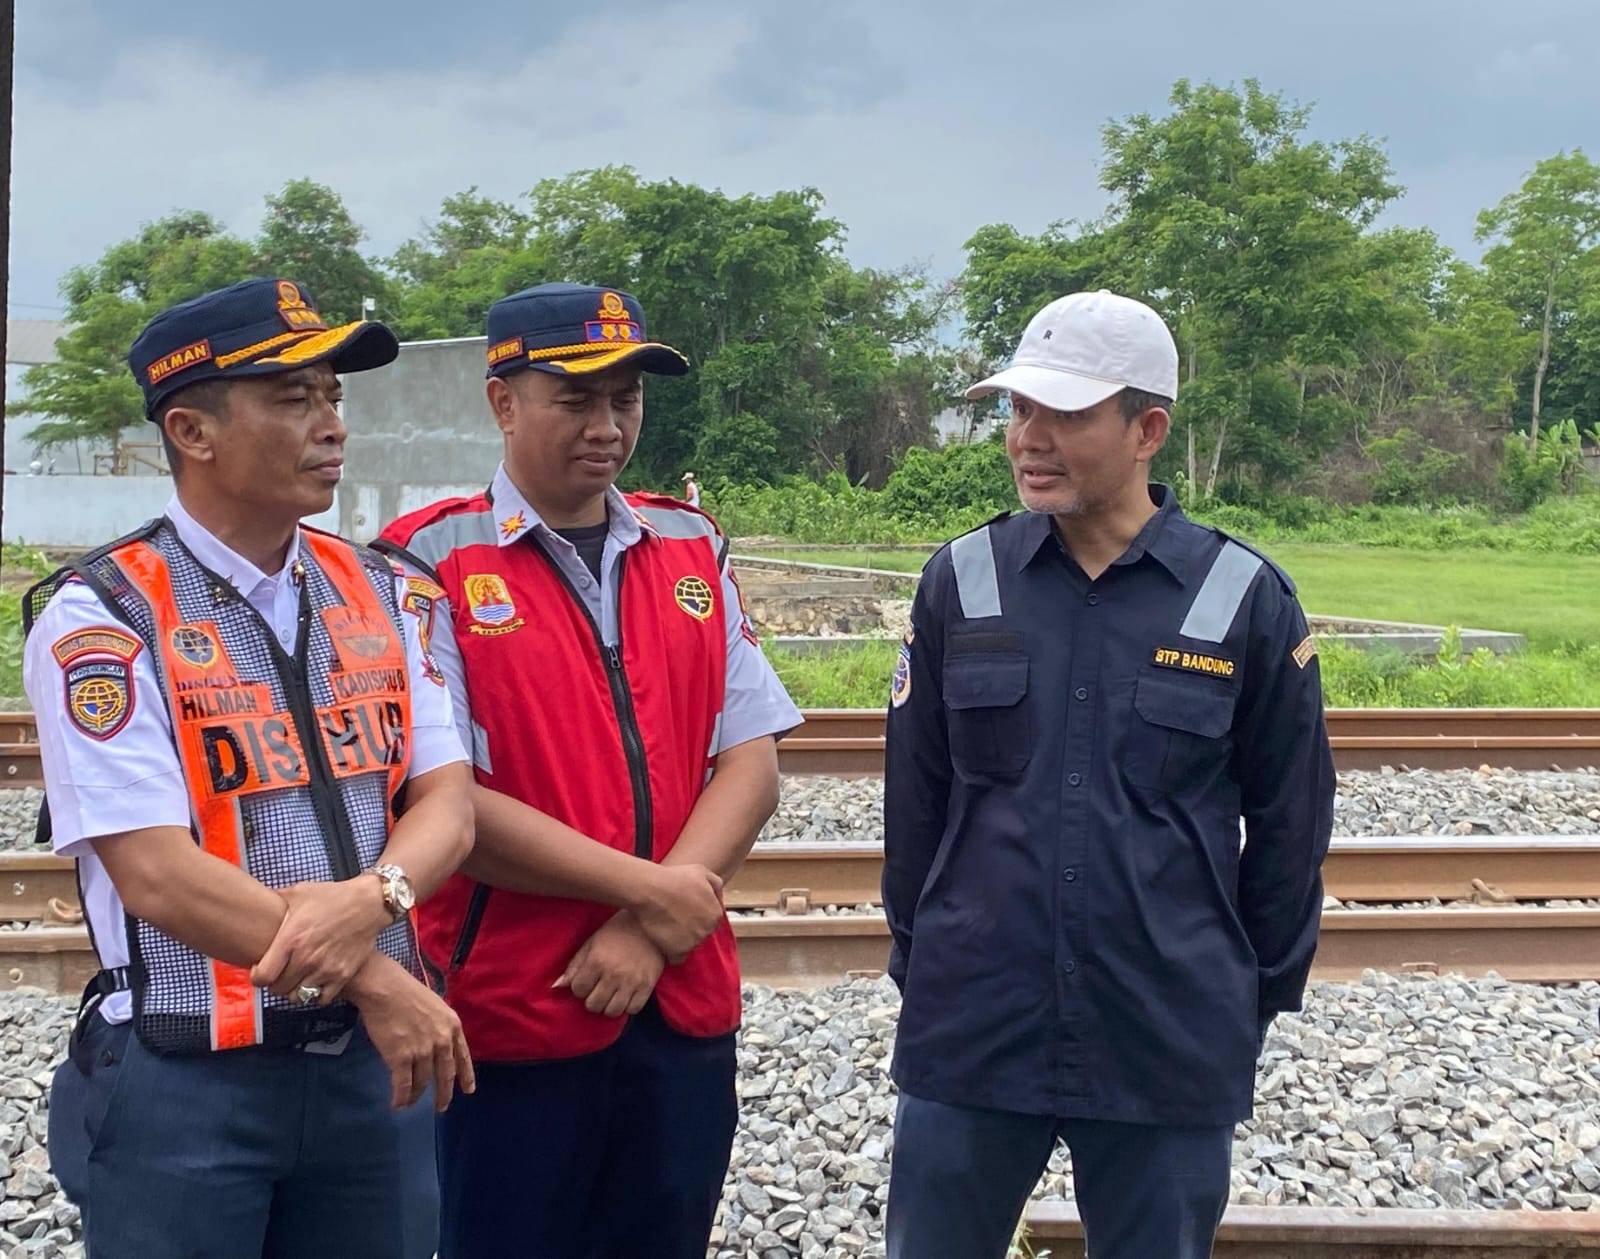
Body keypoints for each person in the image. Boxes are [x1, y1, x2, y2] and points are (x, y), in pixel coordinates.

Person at [24, 277, 477, 1259]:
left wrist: (374, 900)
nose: (333, 425)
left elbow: (447, 799)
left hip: (367, 1074)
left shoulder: (392, 589)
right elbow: (153, 870)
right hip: (188, 1074)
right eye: (294, 397)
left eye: (334, 396)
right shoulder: (104, 613)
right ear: (192, 431)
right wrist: (374, 977)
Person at [881, 290, 1336, 1259]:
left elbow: (1291, 830)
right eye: (1017, 410)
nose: (1029, 439)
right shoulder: (961, 580)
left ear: (1146, 430)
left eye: (1065, 415)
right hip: (973, 1026)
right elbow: (913, 806)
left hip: (1164, 1031)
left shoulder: (1240, 596)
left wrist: (1238, 996)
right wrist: (929, 969)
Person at [377, 281, 802, 1259]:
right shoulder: (423, 561)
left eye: (626, 399)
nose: (607, 425)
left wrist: (653, 928)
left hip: (681, 1005)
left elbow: (750, 758)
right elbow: (448, 801)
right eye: (576, 398)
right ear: (502, 401)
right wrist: (654, 891)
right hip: (513, 1011)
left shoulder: (690, 545)